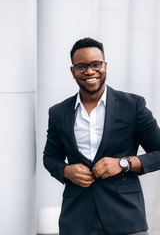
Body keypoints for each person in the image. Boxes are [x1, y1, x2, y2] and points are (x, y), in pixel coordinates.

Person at [43, 38, 160, 235]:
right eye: (81, 66)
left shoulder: (133, 106)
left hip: (126, 217)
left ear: (105, 66)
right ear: (73, 71)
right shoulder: (58, 113)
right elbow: (50, 158)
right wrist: (65, 171)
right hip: (76, 220)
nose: (89, 71)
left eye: (96, 64)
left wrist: (123, 164)